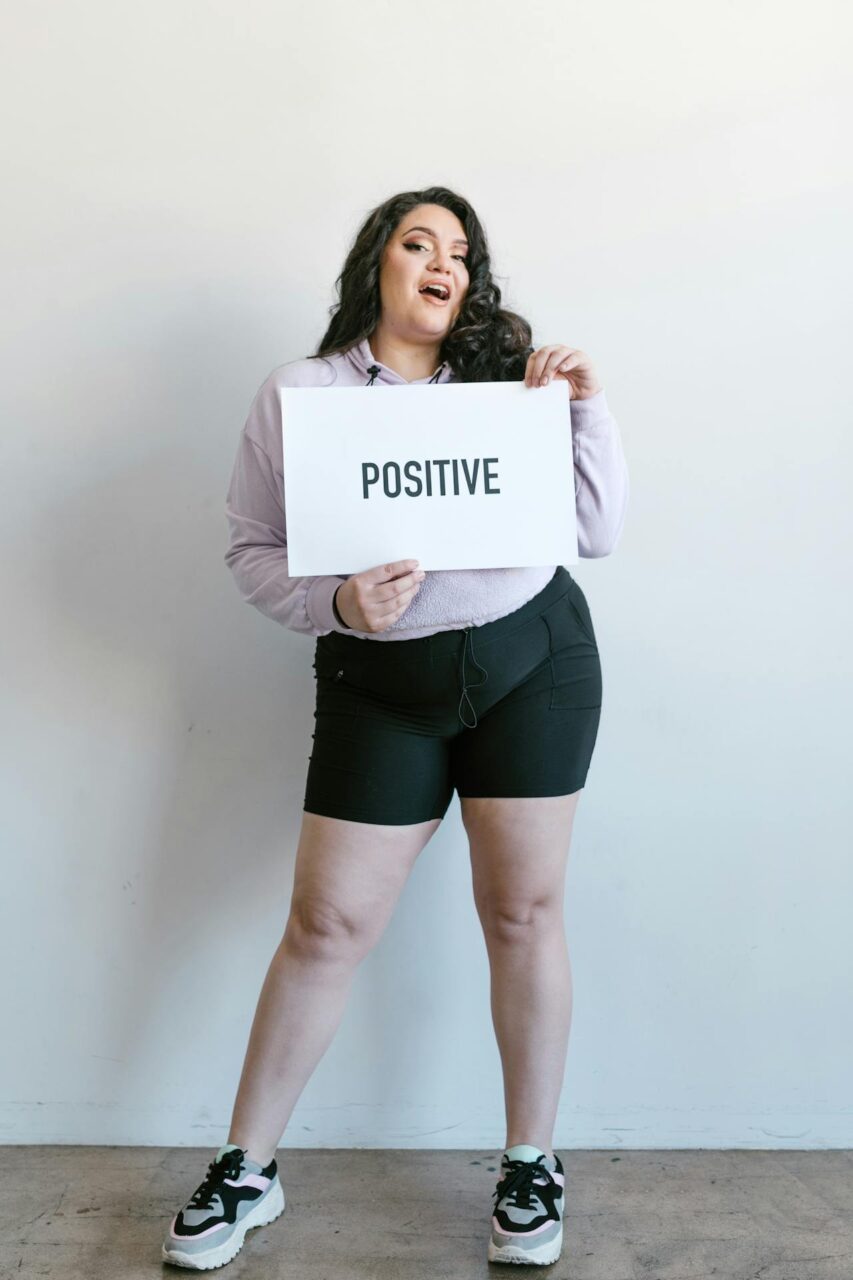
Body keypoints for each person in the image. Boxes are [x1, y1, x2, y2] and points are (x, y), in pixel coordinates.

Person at [162, 185, 629, 1270]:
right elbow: (250, 550)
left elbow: (597, 530)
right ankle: (247, 1166)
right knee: (327, 922)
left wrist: (582, 409)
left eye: (459, 252)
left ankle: (529, 1161)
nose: (441, 263)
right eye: (417, 242)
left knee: (522, 910)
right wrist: (333, 601)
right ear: (376, 262)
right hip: (379, 684)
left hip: (534, 662)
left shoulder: (508, 386)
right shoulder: (302, 394)